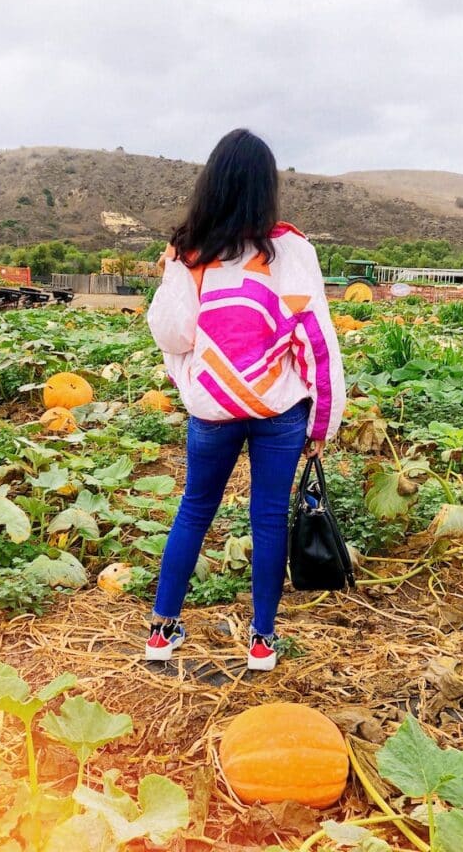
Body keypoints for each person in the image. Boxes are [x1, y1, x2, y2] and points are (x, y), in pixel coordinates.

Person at [145, 128, 345, 671]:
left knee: (193, 511)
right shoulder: (294, 251)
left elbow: (173, 334)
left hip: (212, 411)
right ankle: (261, 640)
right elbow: (317, 342)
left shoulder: (191, 254)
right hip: (279, 412)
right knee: (268, 519)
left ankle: (161, 633)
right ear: (266, 189)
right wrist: (322, 424)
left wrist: (172, 273)